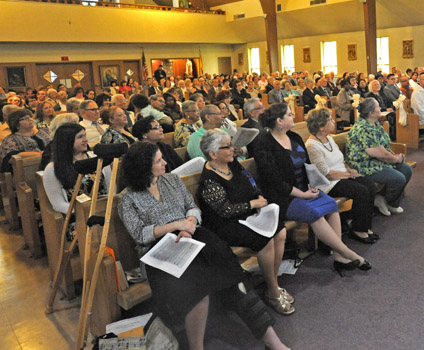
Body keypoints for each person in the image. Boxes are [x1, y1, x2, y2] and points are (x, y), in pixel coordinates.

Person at [118, 142, 291, 350]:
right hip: (159, 250)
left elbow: (192, 207)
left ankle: (272, 341)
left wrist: (189, 223)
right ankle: (196, 347)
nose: (165, 162)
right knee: (196, 288)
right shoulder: (127, 198)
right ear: (143, 167)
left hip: (191, 235)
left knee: (233, 276)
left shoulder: (171, 180)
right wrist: (175, 225)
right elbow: (139, 234)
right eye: (158, 161)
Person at [254, 103, 371, 276]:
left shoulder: (293, 137)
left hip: (305, 189)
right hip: (283, 197)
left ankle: (339, 256)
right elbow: (274, 180)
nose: (293, 115)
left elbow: (308, 165)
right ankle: (348, 253)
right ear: (279, 121)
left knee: (331, 204)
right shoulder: (264, 144)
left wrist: (312, 184)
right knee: (313, 213)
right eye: (289, 114)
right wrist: (301, 194)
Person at [197, 129, 294, 315]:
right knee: (265, 238)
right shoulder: (209, 179)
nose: (233, 149)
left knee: (280, 230)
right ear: (213, 153)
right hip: (224, 224)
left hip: (246, 215)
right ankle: (273, 292)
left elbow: (250, 184)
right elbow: (225, 210)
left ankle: (271, 282)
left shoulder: (232, 164)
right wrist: (252, 204)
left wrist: (257, 197)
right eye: (227, 147)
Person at [305, 109, 378, 244]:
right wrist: (349, 174)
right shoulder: (311, 145)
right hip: (328, 183)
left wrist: (350, 169)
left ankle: (364, 226)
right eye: (330, 120)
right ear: (321, 126)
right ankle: (358, 230)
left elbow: (340, 160)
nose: (333, 122)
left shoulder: (330, 139)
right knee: (361, 191)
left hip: (342, 175)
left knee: (370, 185)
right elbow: (326, 173)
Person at [346, 98, 412, 216]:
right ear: (371, 113)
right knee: (398, 178)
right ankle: (382, 199)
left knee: (406, 169)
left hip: (377, 161)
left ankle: (388, 201)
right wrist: (395, 159)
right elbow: (379, 154)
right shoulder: (363, 128)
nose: (380, 108)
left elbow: (384, 146)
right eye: (378, 107)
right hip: (364, 165)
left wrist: (395, 155)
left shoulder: (375, 123)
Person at [43, 124, 110, 216]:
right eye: (80, 137)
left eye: (85, 135)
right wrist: (84, 212)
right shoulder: (52, 168)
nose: (85, 139)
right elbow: (58, 204)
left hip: (103, 211)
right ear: (67, 141)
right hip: (77, 215)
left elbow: (111, 190)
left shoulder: (98, 159)